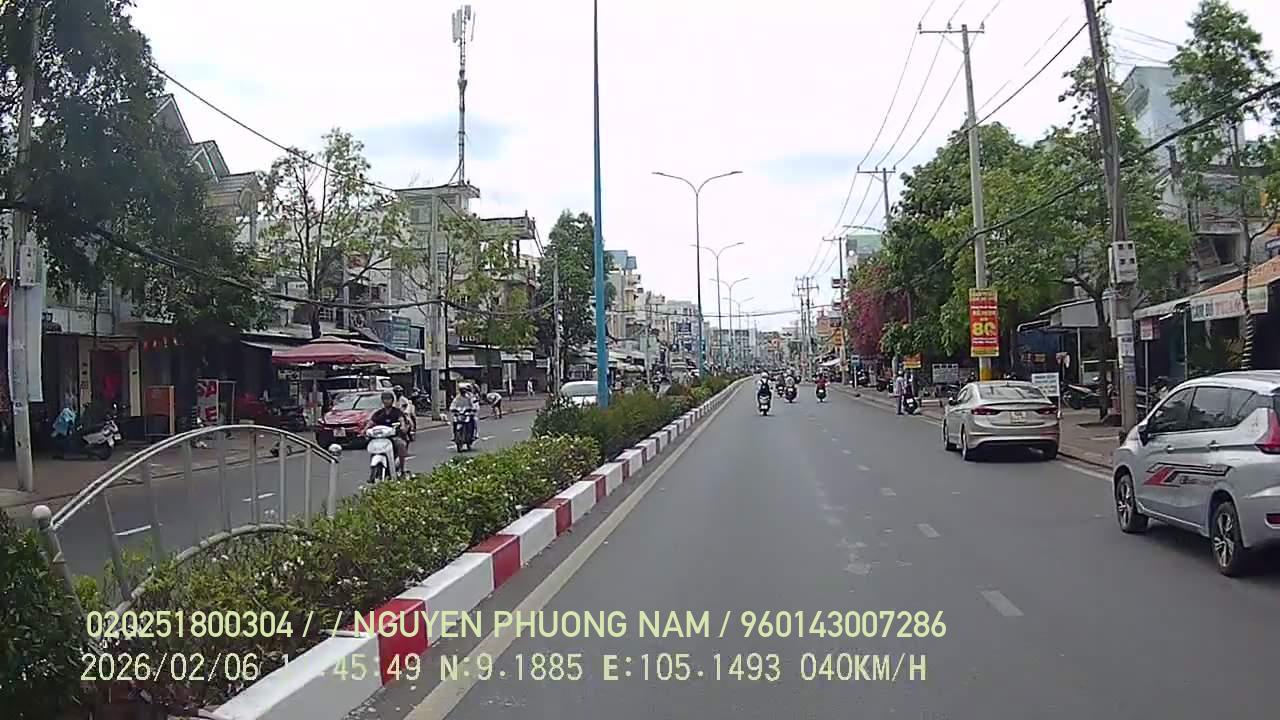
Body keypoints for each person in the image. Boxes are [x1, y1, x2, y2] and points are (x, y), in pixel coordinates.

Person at [369, 391, 409, 474]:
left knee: (401, 444)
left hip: (394, 437)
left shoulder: (397, 412)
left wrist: (403, 427)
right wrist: (364, 430)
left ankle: (402, 469)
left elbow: (401, 420)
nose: (386, 401)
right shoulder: (379, 413)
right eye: (384, 399)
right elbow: (371, 422)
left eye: (388, 399)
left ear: (392, 400)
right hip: (380, 438)